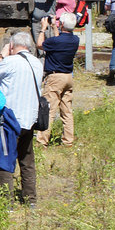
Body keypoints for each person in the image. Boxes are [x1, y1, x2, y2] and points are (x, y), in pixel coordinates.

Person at [0, 32, 42, 205]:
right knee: (27, 160)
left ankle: (6, 202)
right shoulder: (37, 62)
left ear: (12, 45)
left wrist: (1, 55)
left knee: (4, 160)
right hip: (30, 118)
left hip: (11, 120)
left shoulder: (10, 61)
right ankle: (30, 199)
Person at [36, 13, 78, 147]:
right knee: (67, 110)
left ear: (62, 25)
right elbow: (58, 40)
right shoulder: (75, 40)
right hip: (68, 77)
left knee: (49, 109)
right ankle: (68, 140)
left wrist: (43, 28)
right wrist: (55, 26)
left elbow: (39, 44)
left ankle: (42, 140)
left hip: (55, 78)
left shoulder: (55, 41)